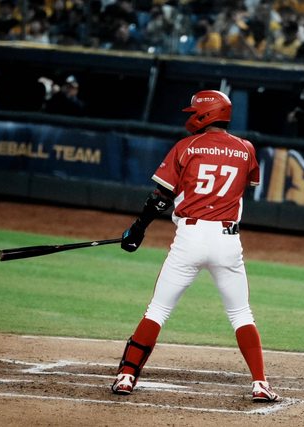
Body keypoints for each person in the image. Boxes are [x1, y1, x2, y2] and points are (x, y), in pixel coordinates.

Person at [111, 89, 280, 403]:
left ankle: (126, 377)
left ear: (206, 114)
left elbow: (160, 198)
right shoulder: (246, 148)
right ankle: (260, 383)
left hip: (189, 238)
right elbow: (246, 184)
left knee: (157, 310)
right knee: (241, 314)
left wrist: (139, 229)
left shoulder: (186, 147)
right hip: (228, 240)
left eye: (194, 112)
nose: (190, 118)